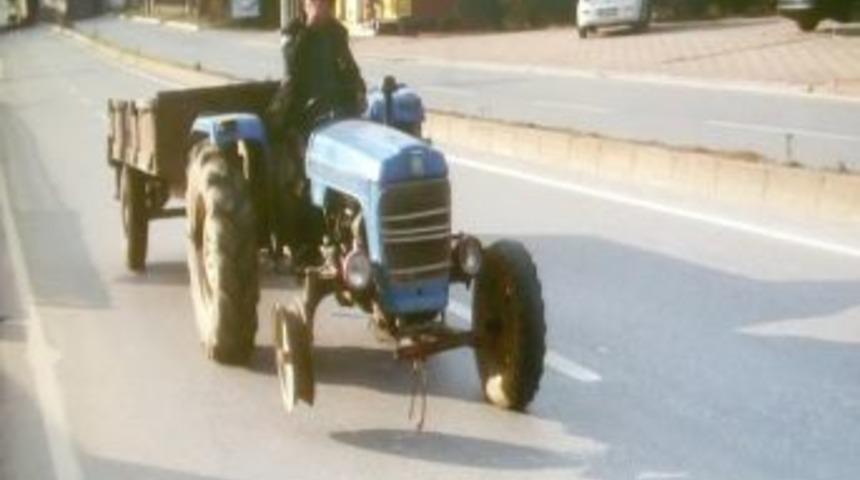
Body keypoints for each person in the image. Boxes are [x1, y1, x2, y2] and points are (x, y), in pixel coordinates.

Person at [267, 0, 367, 271]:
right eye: (315, 1)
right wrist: (310, 29)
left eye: (325, 1)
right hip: (299, 115)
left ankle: (357, 234)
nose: (321, 5)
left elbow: (350, 71)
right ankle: (302, 247)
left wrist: (358, 89)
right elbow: (293, 68)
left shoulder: (337, 33)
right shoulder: (293, 32)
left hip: (336, 113)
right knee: (297, 175)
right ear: (305, 4)